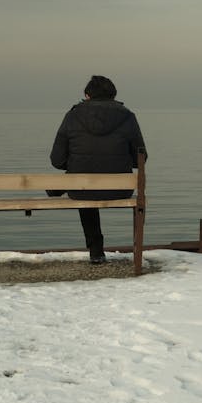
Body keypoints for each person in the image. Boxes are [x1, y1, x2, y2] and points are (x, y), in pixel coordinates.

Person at [50, 75, 148, 264]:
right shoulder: (127, 116)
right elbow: (141, 159)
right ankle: (130, 253)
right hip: (120, 189)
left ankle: (96, 251)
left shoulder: (72, 116)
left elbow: (57, 160)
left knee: (83, 186)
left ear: (87, 95)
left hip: (81, 188)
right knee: (85, 182)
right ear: (113, 95)